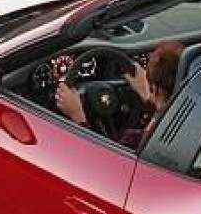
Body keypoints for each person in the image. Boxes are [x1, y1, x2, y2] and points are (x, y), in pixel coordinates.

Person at [55, 40, 183, 151]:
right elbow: (163, 107)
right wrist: (147, 95)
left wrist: (78, 117)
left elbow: (104, 162)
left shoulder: (138, 142)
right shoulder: (187, 107)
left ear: (155, 89)